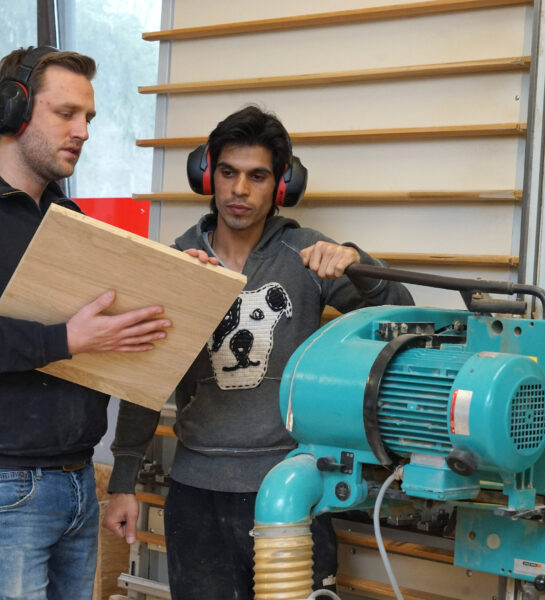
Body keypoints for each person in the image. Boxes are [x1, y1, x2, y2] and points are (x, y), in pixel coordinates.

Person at [102, 105, 414, 599]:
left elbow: (401, 313)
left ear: (282, 184)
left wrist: (358, 263)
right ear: (207, 174)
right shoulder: (177, 261)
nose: (239, 191)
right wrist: (123, 482)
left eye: (257, 176)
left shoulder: (306, 255)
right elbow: (145, 378)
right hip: (196, 494)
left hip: (292, 492)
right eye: (228, 173)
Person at [0, 46, 172, 600]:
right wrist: (64, 339)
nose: (83, 131)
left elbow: (107, 335)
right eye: (66, 113)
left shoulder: (67, 219)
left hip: (73, 479)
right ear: (12, 110)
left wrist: (179, 287)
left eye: (89, 118)